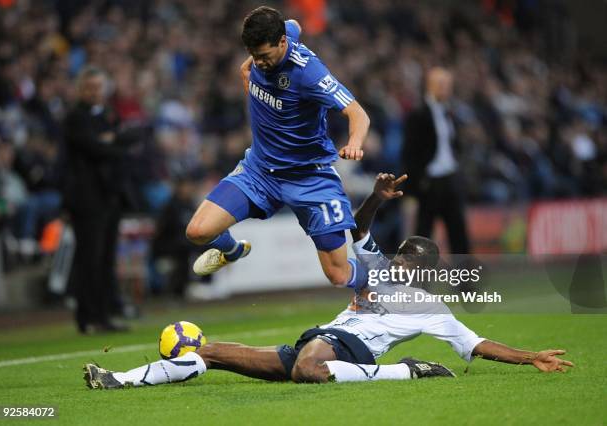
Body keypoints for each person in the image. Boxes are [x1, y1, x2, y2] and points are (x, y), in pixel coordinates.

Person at [83, 173, 573, 389]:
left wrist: (532, 358)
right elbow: (357, 231)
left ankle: (407, 371)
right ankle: (119, 381)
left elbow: (478, 342)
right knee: (213, 352)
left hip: (348, 349)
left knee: (308, 369)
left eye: (409, 260)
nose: (399, 263)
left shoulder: (429, 307)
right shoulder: (378, 268)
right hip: (320, 340)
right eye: (400, 254)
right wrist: (378, 198)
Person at [187, 7, 370, 290]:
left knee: (338, 275)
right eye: (254, 55)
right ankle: (233, 251)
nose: (258, 63)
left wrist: (355, 144)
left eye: (264, 56)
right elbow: (294, 23)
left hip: (309, 178)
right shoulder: (281, 34)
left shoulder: (309, 72)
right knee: (197, 231)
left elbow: (358, 113)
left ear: (282, 43)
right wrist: (250, 61)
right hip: (260, 172)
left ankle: (386, 275)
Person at [62, 66, 130, 334]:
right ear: (80, 89)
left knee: (104, 259)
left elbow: (118, 144)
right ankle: (87, 317)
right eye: (89, 87)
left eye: (97, 87)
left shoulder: (107, 115)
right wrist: (113, 142)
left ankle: (103, 315)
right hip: (86, 199)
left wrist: (110, 142)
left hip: (109, 196)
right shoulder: (74, 118)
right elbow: (97, 148)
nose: (93, 92)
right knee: (89, 258)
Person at [402, 67, 470, 254]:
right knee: (422, 237)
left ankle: (465, 282)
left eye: (448, 84)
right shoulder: (418, 114)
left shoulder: (450, 112)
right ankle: (417, 281)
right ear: (429, 86)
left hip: (450, 179)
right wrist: (416, 185)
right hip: (430, 182)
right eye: (441, 84)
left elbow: (454, 145)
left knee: (459, 235)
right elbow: (410, 153)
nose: (446, 88)